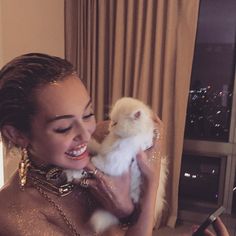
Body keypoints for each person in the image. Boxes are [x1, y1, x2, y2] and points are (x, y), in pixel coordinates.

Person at [0, 53, 163, 236]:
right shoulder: (12, 214)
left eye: (87, 114)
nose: (86, 135)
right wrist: (140, 197)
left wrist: (136, 202)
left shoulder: (103, 138)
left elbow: (155, 128)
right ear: (16, 134)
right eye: (64, 128)